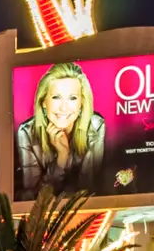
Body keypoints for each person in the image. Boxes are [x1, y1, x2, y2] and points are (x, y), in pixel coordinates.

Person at [14, 62, 106, 197]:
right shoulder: (27, 133)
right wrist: (61, 159)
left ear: (81, 103)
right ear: (43, 102)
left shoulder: (95, 125)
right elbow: (32, 198)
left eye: (72, 98)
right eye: (56, 97)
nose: (64, 108)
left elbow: (88, 188)